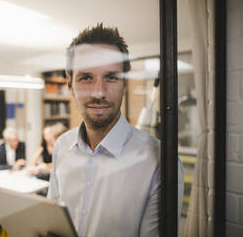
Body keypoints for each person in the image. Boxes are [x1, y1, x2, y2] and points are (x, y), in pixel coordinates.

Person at [47, 23, 184, 236]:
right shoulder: (61, 146)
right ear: (70, 86)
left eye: (111, 77)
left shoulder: (160, 162)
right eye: (86, 77)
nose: (99, 92)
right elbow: (53, 224)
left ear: (125, 85)